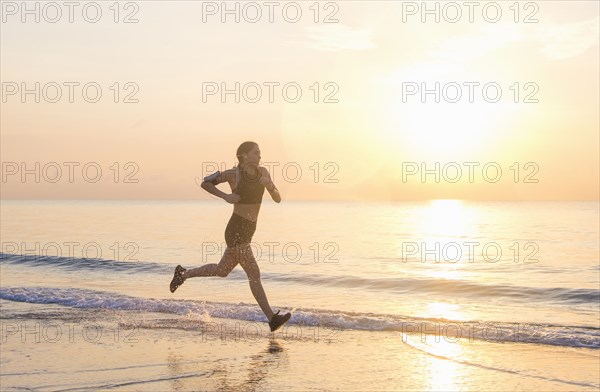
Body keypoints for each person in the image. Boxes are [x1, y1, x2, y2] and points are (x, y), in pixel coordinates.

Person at [169, 141, 291, 332]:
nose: (260, 156)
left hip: (249, 230)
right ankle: (271, 318)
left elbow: (277, 198)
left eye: (260, 153)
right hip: (236, 229)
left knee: (222, 270)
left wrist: (270, 186)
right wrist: (226, 196)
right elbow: (205, 182)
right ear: (243, 155)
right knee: (254, 274)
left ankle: (183, 274)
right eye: (256, 152)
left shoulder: (264, 173)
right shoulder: (233, 174)